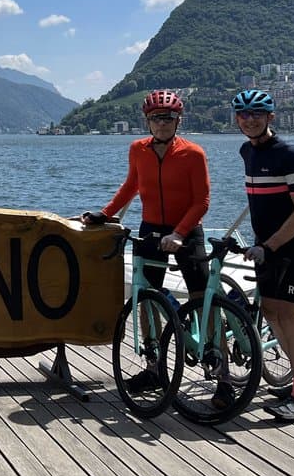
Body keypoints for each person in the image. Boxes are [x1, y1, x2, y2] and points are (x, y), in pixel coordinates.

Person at [81, 90, 225, 404]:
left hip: (187, 231)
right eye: (156, 118)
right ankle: (154, 368)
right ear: (147, 121)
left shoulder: (193, 153)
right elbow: (131, 186)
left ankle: (220, 367)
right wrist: (105, 214)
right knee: (146, 298)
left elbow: (202, 201)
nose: (162, 123)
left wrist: (179, 233)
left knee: (202, 298)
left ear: (178, 120)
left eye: (168, 117)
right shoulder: (138, 149)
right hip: (151, 230)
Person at [233, 89, 294, 422]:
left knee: (291, 318)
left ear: (271, 117)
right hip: (266, 245)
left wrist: (269, 246)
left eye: (257, 113)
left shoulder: (291, 155)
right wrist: (264, 245)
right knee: (270, 311)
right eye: (243, 114)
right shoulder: (247, 151)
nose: (249, 119)